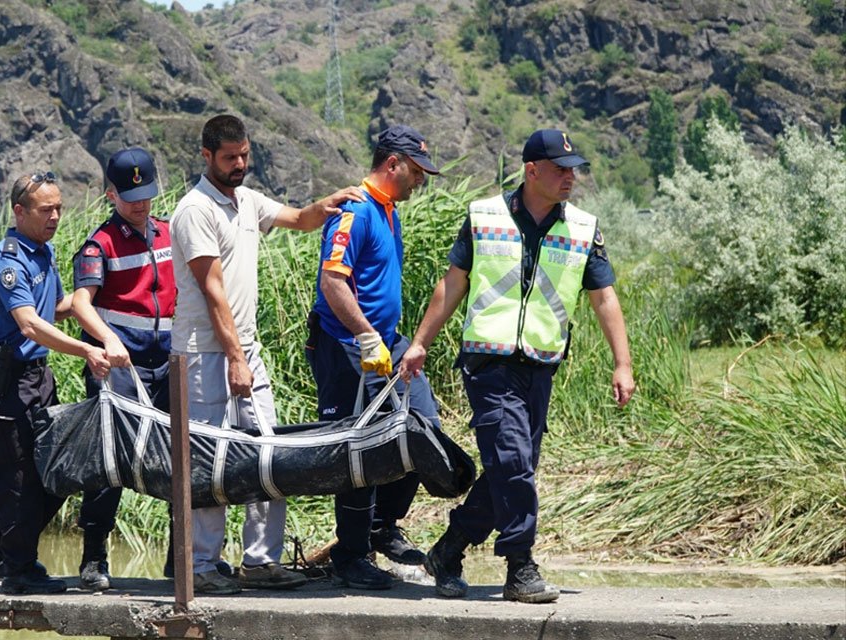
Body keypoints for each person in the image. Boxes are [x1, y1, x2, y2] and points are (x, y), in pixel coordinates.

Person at [397, 129, 636, 603]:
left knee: (514, 467)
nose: (571, 178)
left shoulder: (584, 228)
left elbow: (603, 295)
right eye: (561, 169)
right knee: (511, 459)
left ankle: (448, 549)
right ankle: (520, 565)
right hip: (489, 362)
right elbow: (453, 284)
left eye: (575, 170)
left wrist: (622, 362)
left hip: (540, 365)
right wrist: (421, 341)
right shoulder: (484, 216)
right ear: (532, 171)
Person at [170, 114, 363, 594]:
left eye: (244, 155)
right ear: (206, 156)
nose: (239, 164)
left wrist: (328, 204)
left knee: (265, 452)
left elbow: (297, 218)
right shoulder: (195, 210)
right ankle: (202, 566)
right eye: (230, 157)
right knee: (208, 458)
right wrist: (234, 358)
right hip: (202, 354)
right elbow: (212, 290)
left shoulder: (245, 199)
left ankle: (259, 561)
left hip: (245, 349)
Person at [305, 125, 445, 590]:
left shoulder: (390, 213)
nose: (420, 181)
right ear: (393, 164)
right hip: (345, 346)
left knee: (423, 427)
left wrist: (384, 340)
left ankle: (383, 525)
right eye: (417, 172)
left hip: (388, 343)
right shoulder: (355, 211)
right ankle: (350, 554)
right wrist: (365, 336)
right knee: (354, 448)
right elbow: (333, 283)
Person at [0, 171, 113, 595]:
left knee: (57, 470)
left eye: (59, 209)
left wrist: (98, 295)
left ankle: (10, 547)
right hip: (0, 380)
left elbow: (56, 308)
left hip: (35, 378)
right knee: (15, 476)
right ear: (19, 212)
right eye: (46, 210)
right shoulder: (8, 259)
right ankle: (18, 569)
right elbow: (30, 324)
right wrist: (87, 350)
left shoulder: (43, 253)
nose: (55, 217)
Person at [69, 146, 176, 591]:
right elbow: (80, 303)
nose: (140, 203)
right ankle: (93, 558)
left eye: (147, 194)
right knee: (108, 464)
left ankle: (182, 560)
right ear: (110, 193)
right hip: (120, 370)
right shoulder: (100, 244)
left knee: (180, 462)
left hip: (170, 366)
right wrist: (108, 340)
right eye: (130, 195)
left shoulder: (172, 234)